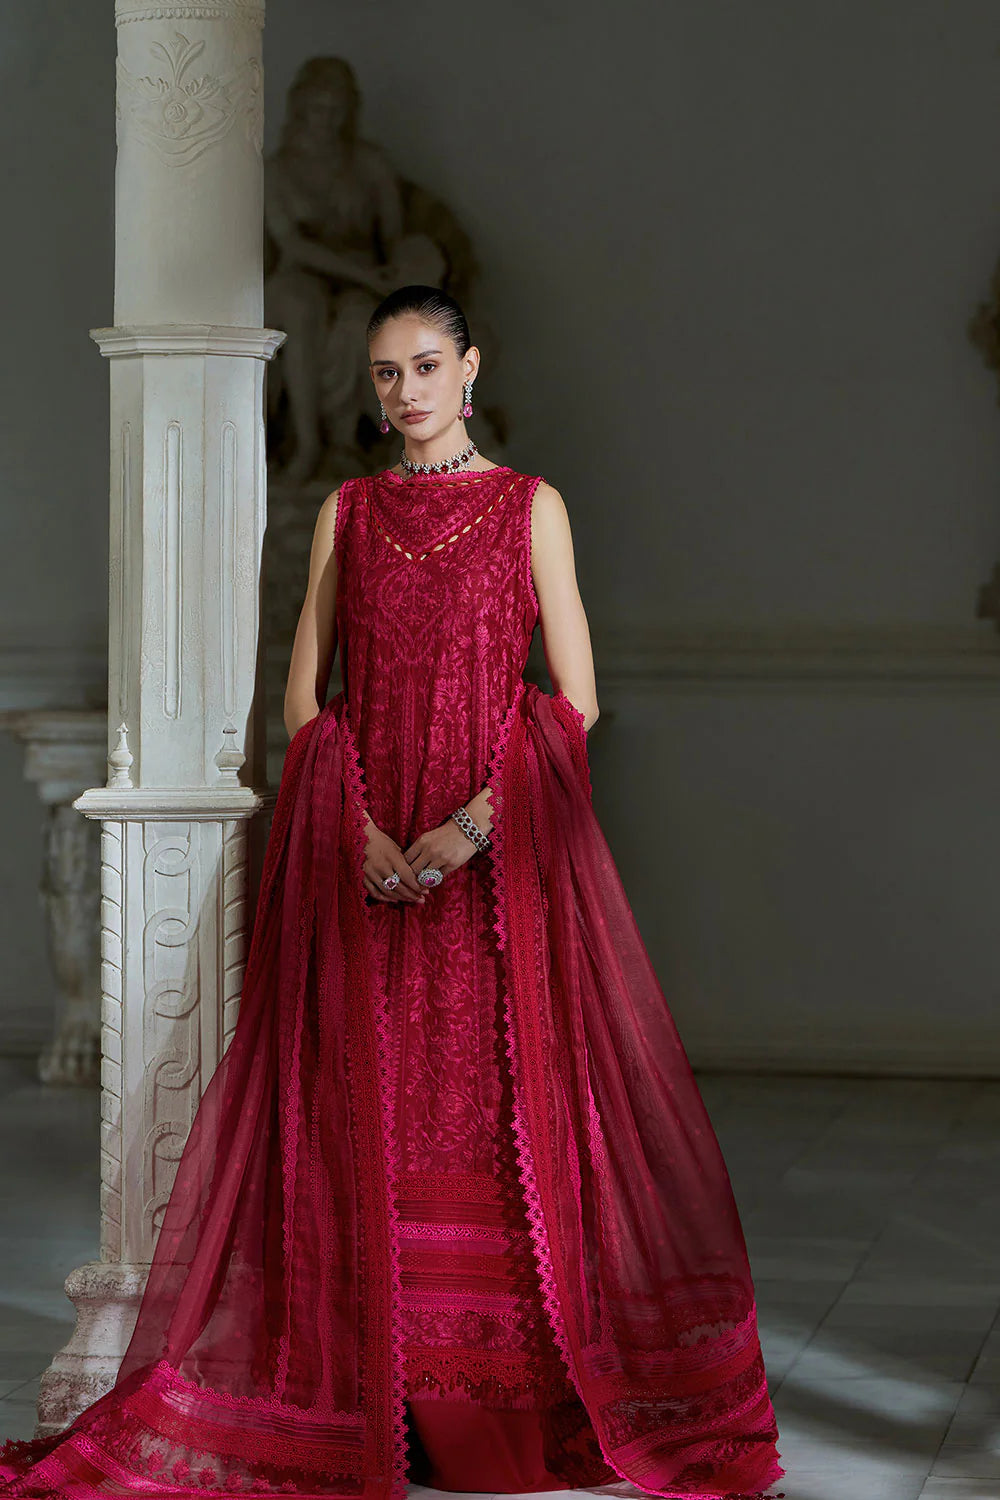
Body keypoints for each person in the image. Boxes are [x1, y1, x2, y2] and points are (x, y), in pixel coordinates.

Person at [0, 286, 784, 1500]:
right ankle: (375, 1404)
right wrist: (357, 829)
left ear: (470, 368)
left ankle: (490, 1418)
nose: (404, 391)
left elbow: (576, 700)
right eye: (384, 372)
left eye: (424, 365)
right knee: (367, 1119)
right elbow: (303, 699)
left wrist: (469, 831)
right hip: (364, 867)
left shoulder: (530, 508)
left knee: (489, 1117)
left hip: (489, 873)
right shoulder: (349, 514)